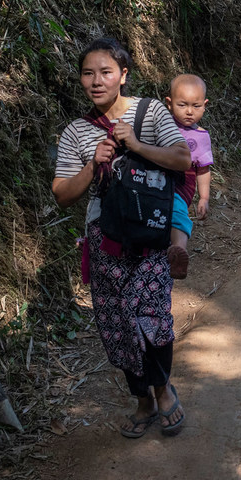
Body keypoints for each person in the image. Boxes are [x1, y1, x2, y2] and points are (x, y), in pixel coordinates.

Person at [51, 38, 191, 439]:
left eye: (106, 72)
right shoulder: (77, 132)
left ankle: (163, 390)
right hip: (105, 240)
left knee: (152, 320)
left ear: (123, 75)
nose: (97, 81)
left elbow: (183, 159)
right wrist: (92, 165)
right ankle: (142, 400)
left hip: (150, 237)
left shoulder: (150, 113)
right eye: (88, 73)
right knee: (116, 327)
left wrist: (137, 145)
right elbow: (61, 194)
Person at [164, 74, 213, 279]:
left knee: (177, 211)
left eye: (196, 106)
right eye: (182, 105)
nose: (189, 111)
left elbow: (203, 169)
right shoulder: (161, 125)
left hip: (183, 182)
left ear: (205, 105)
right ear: (169, 103)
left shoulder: (201, 137)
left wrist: (204, 198)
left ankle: (179, 249)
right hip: (157, 175)